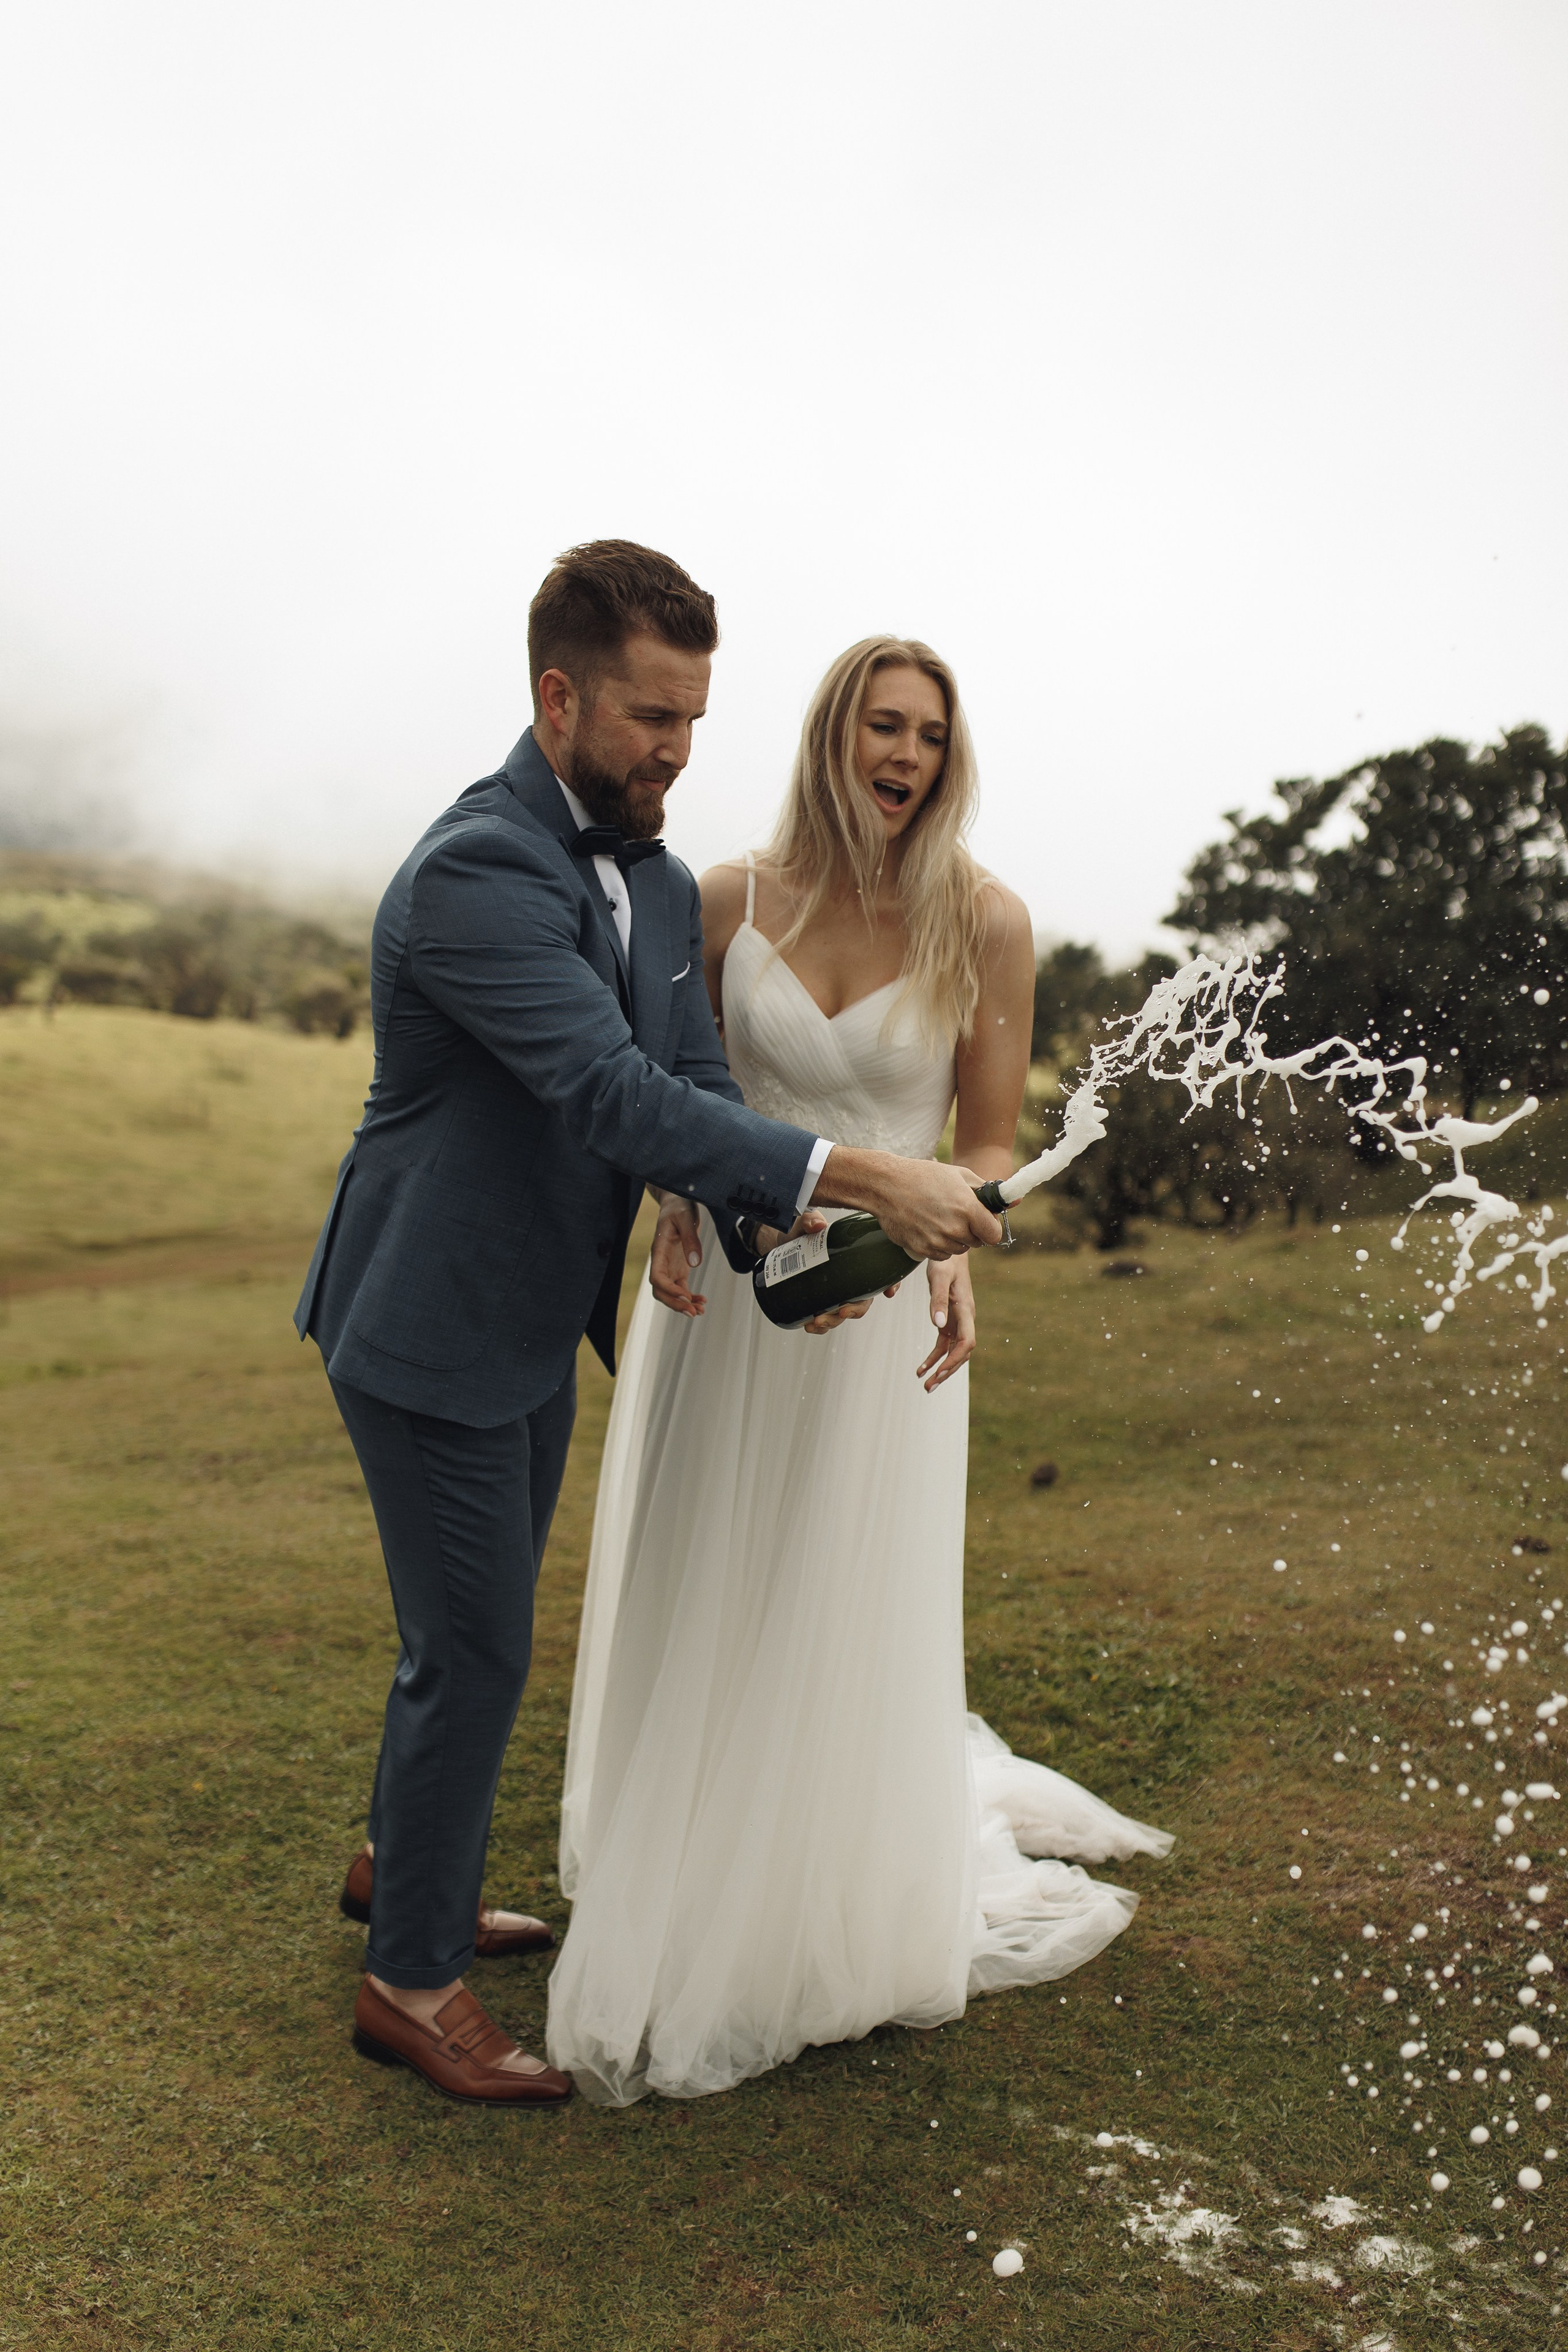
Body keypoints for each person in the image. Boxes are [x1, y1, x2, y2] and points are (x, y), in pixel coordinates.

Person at [296, 549, 1001, 2107]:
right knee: (475, 1647)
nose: (677, 749)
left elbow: (689, 1081)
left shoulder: (659, 878)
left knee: (463, 1636)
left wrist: (783, 1239)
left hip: (531, 1318)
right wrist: (866, 1172)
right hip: (425, 1316)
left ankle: (404, 1867)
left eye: (693, 718)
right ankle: (409, 1980)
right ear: (557, 699)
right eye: (648, 717)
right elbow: (608, 1095)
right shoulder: (479, 871)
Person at [546, 636, 1173, 2105]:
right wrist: (669, 1206)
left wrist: (950, 1251)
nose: (905, 756)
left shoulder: (984, 920)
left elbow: (987, 1141)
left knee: (833, 1589)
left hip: (875, 1308)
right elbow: (669, 1095)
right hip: (725, 1303)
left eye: (929, 736)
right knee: (707, 1573)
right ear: (834, 736)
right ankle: (683, 1862)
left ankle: (815, 1897)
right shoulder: (721, 898)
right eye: (882, 726)